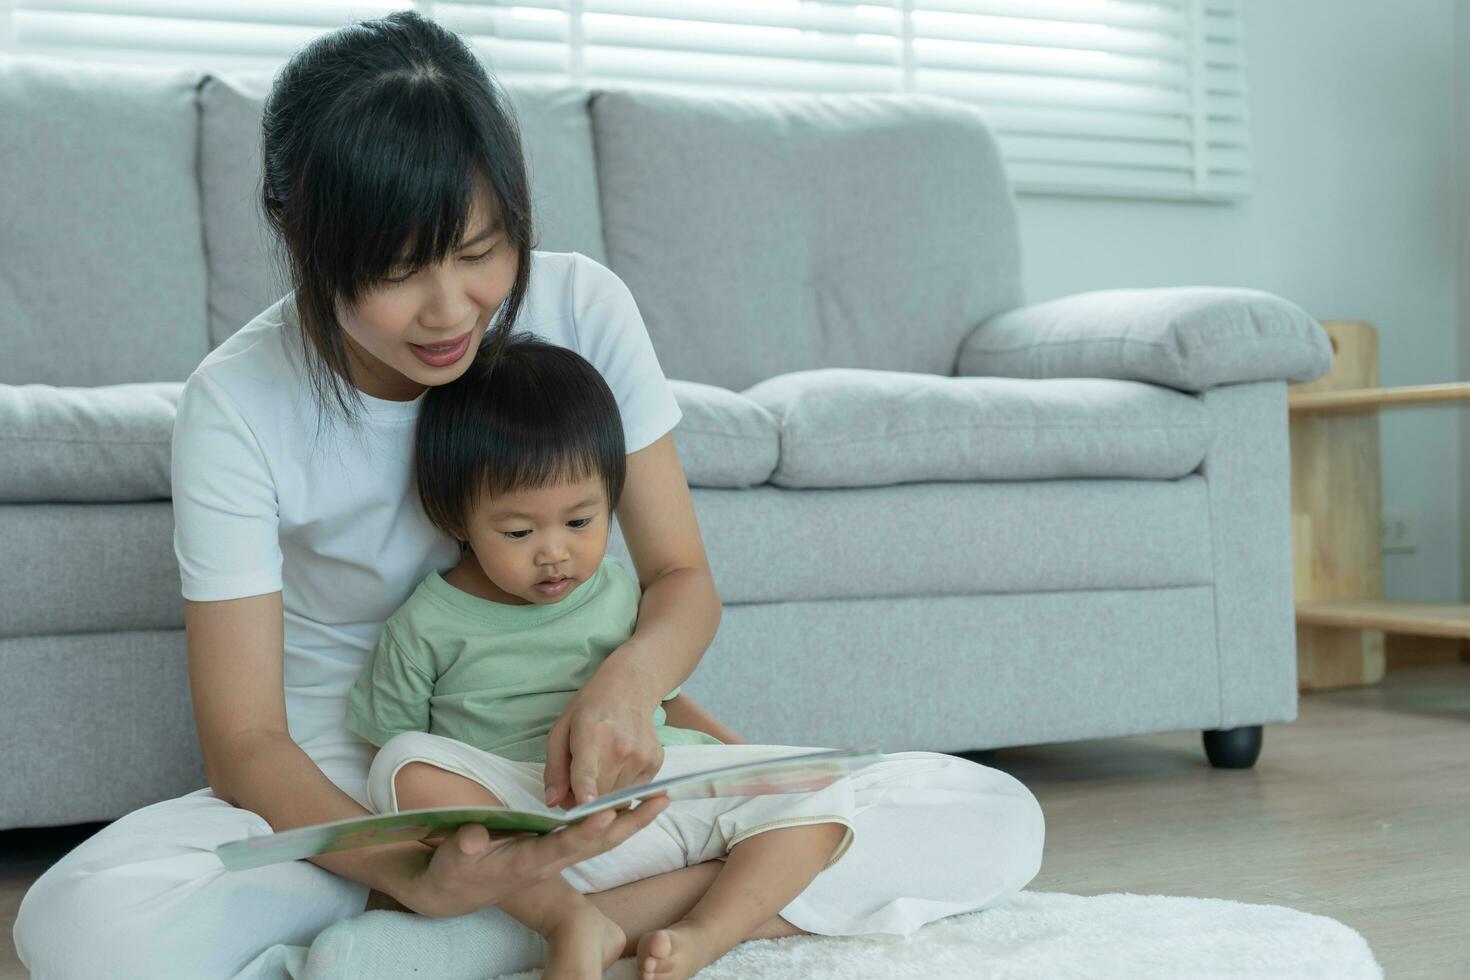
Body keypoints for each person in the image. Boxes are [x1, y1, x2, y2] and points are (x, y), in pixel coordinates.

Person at [13, 11, 1045, 979]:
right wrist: (414, 865)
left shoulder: (583, 304)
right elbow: (246, 741)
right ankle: (498, 915)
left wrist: (628, 681)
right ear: (299, 228)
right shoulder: (238, 401)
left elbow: (683, 578)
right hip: (369, 780)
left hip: (576, 760)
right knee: (82, 925)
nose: (451, 308)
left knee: (994, 810)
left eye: (480, 253)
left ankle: (536, 930)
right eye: (400, 271)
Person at [347, 335, 869, 980]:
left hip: (647, 798)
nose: (554, 553)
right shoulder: (423, 624)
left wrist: (751, 763)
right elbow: (390, 764)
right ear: (457, 516)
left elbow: (667, 701)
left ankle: (702, 937)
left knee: (819, 784)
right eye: (517, 532)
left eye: (580, 522)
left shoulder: (620, 592)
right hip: (525, 829)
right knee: (399, 764)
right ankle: (570, 920)